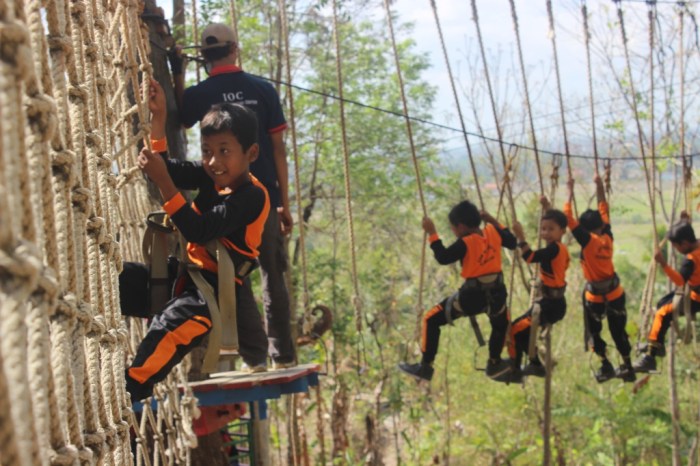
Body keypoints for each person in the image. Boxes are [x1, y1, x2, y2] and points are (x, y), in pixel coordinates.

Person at [124, 80, 269, 400]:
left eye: (224, 152)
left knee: (167, 328)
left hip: (216, 291)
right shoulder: (211, 174)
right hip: (187, 276)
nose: (214, 162)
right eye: (207, 152)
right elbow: (165, 169)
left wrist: (163, 182)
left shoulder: (252, 196)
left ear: (251, 153)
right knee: (121, 280)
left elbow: (200, 230)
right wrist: (159, 121)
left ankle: (132, 387)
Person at [171, 23, 296, 368]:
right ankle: (281, 355)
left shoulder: (199, 93)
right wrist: (284, 201)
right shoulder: (263, 90)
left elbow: (182, 117)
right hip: (263, 197)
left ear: (205, 56)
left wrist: (178, 72)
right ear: (235, 48)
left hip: (220, 199)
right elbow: (278, 148)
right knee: (272, 274)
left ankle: (250, 357)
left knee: (230, 274)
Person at [398, 200, 517, 382]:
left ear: (461, 227)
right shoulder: (493, 231)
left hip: (472, 298)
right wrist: (492, 219)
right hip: (497, 295)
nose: (454, 232)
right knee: (500, 324)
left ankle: (426, 366)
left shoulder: (466, 242)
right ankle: (494, 362)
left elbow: (443, 257)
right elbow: (512, 241)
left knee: (431, 319)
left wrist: (432, 234)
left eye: (453, 228)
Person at [564, 176, 635, 383]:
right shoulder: (608, 236)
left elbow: (568, 217)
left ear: (585, 230)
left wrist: (569, 189)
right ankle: (627, 365)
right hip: (615, 293)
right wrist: (600, 186)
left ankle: (605, 363)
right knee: (618, 331)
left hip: (595, 297)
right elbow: (604, 209)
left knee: (594, 333)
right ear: (601, 226)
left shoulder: (587, 240)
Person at [507, 197, 570, 382]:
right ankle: (533, 362)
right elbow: (557, 224)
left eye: (551, 229)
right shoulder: (561, 248)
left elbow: (529, 256)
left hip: (550, 305)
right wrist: (547, 207)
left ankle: (516, 368)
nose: (546, 233)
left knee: (514, 330)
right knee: (522, 331)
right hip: (552, 303)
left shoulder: (554, 250)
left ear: (562, 231)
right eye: (544, 229)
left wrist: (520, 237)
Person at [634, 212, 700, 373]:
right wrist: (683, 222)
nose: (677, 250)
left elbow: (679, 281)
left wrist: (663, 264)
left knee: (662, 313)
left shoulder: (691, 259)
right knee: (662, 303)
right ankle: (657, 343)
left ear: (684, 243)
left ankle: (650, 357)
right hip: (694, 291)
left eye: (677, 247)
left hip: (696, 298)